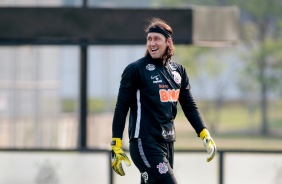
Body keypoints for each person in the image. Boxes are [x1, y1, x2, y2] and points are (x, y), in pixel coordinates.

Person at [111, 17, 216, 184]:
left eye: (157, 39)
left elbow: (189, 106)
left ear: (168, 41)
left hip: (167, 142)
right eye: (149, 39)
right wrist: (116, 143)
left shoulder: (178, 71)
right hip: (144, 142)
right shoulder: (136, 70)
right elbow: (121, 107)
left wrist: (204, 133)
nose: (152, 43)